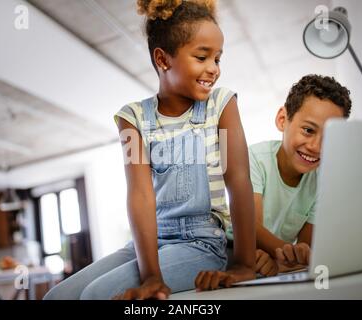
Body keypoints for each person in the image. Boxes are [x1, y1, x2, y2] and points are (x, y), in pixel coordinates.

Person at [44, 0, 256, 300]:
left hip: (202, 242)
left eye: (218, 59)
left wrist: (244, 263)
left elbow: (239, 180)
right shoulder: (133, 119)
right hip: (149, 242)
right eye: (201, 57)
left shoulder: (221, 105)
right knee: (55, 297)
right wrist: (151, 276)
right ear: (163, 59)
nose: (213, 69)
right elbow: (140, 197)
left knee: (95, 295)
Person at [242, 74, 352, 276]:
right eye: (308, 130)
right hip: (234, 249)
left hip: (271, 262)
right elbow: (251, 229)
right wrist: (286, 254)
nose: (316, 147)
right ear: (283, 120)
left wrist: (290, 258)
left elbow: (304, 252)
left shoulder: (323, 181)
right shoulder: (255, 159)